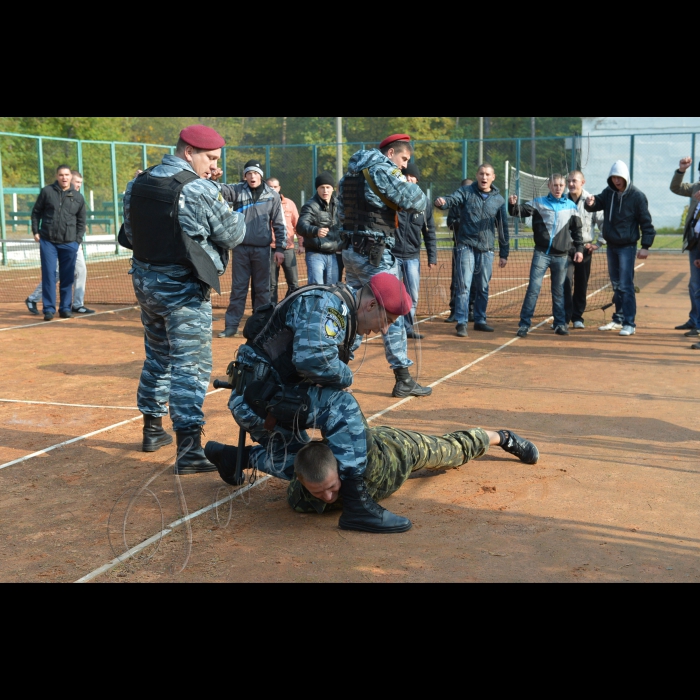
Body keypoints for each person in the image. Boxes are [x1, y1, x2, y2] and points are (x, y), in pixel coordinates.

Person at [206, 273, 418, 534]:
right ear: (371, 306)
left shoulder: (347, 316)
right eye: (387, 321)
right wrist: (345, 377)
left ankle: (236, 458)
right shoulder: (328, 306)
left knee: (309, 470)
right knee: (342, 406)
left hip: (272, 399)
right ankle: (357, 507)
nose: (385, 329)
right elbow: (313, 360)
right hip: (259, 401)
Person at [123, 125, 246, 473]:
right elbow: (234, 234)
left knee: (158, 355)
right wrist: (222, 200)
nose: (213, 166)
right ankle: (189, 450)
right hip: (183, 290)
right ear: (189, 151)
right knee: (190, 365)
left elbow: (130, 234)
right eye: (210, 158)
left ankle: (152, 430)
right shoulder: (198, 189)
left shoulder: (138, 182)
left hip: (146, 284)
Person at [210, 419, 540, 519]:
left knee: (453, 451)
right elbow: (295, 467)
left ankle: (503, 437)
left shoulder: (364, 459)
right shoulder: (301, 497)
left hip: (400, 452)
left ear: (342, 467)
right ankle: (240, 457)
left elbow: (347, 419)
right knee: (293, 462)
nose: (326, 497)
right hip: (324, 460)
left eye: (332, 486)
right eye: (319, 492)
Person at [338, 134, 432, 398]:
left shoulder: (349, 176)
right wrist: (405, 182)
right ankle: (403, 378)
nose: (404, 166)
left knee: (356, 312)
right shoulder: (382, 170)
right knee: (390, 313)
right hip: (375, 255)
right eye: (404, 159)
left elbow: (339, 214)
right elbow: (417, 201)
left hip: (351, 251)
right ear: (390, 153)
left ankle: (334, 369)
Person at [435, 165, 510, 338]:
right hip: (465, 246)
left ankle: (480, 320)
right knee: (463, 286)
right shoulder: (466, 192)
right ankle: (461, 322)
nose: (484, 177)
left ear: (493, 177)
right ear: (477, 175)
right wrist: (443, 201)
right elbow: (452, 199)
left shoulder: (498, 200)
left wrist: (504, 253)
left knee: (483, 286)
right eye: (481, 174)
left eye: (488, 174)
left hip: (487, 249)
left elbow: (503, 228)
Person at [585, 161, 657, 337]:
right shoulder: (608, 193)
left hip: (628, 247)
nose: (616, 181)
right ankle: (618, 319)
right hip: (612, 246)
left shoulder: (637, 196)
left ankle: (629, 323)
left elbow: (646, 223)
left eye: (619, 177)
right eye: (614, 178)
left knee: (626, 285)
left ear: (625, 177)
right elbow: (595, 204)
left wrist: (645, 246)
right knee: (617, 285)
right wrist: (590, 203)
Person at [509, 174, 584, 337]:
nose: (558, 188)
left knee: (559, 291)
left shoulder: (571, 206)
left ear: (564, 187)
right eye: (555, 185)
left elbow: (577, 231)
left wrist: (579, 249)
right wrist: (512, 204)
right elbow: (518, 211)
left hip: (562, 256)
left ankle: (559, 323)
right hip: (541, 253)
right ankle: (524, 324)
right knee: (533, 289)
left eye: (561, 185)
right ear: (549, 185)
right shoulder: (538, 203)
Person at [218, 161, 287, 338]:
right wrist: (213, 177)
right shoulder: (237, 190)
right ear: (245, 176)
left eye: (255, 173)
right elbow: (216, 189)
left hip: (263, 250)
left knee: (263, 291)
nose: (252, 176)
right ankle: (231, 326)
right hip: (240, 249)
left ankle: (261, 327)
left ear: (260, 175)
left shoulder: (272, 196)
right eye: (248, 173)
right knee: (238, 289)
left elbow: (279, 224)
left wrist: (280, 248)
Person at [26, 171, 94, 317]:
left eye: (80, 183)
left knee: (75, 272)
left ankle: (73, 305)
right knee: (53, 274)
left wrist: (77, 241)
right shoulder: (48, 192)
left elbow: (81, 221)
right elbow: (36, 212)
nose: (78, 185)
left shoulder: (78, 198)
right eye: (77, 182)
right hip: (51, 241)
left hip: (71, 242)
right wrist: (36, 231)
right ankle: (42, 304)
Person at [394, 162, 437, 340]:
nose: (409, 179)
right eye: (406, 176)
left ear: (417, 180)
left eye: (413, 177)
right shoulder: (393, 198)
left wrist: (432, 256)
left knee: (412, 294)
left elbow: (430, 231)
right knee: (392, 295)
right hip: (392, 255)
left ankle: (408, 328)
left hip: (412, 256)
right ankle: (393, 330)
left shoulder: (425, 203)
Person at [563, 171, 605, 329]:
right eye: (569, 181)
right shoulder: (561, 200)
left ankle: (577, 317)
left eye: (575, 181)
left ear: (583, 182)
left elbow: (603, 223)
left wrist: (598, 243)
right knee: (564, 283)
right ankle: (563, 318)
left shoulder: (591, 201)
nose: (571, 184)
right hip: (565, 249)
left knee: (581, 284)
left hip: (585, 248)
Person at [670, 157, 700, 338]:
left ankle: (698, 324)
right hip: (694, 241)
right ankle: (694, 318)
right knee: (694, 284)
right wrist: (681, 171)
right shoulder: (697, 187)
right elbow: (676, 188)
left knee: (698, 284)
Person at [297, 172, 342, 285]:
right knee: (316, 289)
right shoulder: (310, 206)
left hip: (333, 254)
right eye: (322, 187)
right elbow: (301, 226)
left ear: (333, 188)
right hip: (315, 254)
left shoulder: (338, 205)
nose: (325, 191)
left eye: (328, 187)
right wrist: (316, 231)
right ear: (317, 189)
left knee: (332, 290)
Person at [267, 178, 300, 304]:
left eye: (275, 186)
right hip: (270, 249)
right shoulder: (263, 204)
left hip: (288, 248)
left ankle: (289, 307)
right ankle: (272, 311)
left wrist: (301, 243)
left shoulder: (290, 204)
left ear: (279, 188)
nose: (273, 189)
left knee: (294, 283)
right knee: (271, 284)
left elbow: (297, 224)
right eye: (270, 187)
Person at [446, 179, 473, 324]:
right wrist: (463, 222)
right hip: (458, 246)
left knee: (474, 281)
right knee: (456, 280)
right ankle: (454, 311)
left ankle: (471, 310)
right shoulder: (455, 204)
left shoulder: (477, 202)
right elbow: (450, 222)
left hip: (475, 247)